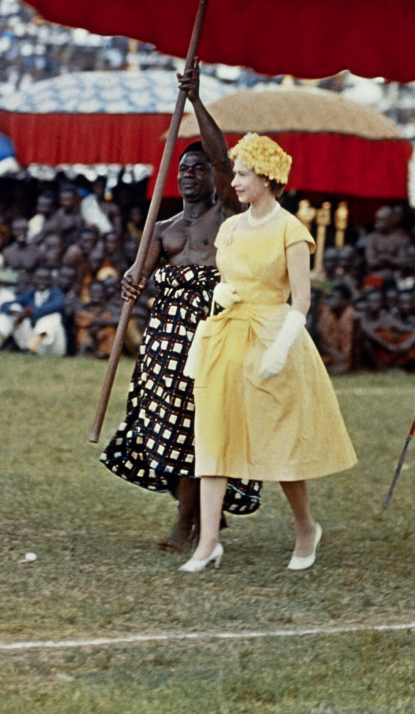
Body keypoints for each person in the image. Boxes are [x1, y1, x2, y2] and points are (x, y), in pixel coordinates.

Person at [101, 64, 261, 552]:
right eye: (183, 170)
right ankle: (198, 509)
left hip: (211, 335)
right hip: (163, 341)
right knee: (162, 427)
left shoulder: (227, 214)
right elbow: (137, 276)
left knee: (199, 429)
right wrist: (131, 282)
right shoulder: (162, 227)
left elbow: (219, 154)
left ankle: (187, 523)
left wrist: (193, 101)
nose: (191, 176)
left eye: (199, 170)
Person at [179, 132, 357, 573]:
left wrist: (280, 349)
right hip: (227, 334)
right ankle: (207, 542)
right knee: (214, 433)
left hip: (273, 336)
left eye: (242, 174)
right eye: (235, 174)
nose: (234, 181)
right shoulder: (231, 227)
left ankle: (305, 528)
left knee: (279, 438)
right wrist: (221, 291)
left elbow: (301, 299)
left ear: (265, 177)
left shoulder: (290, 230)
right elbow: (226, 275)